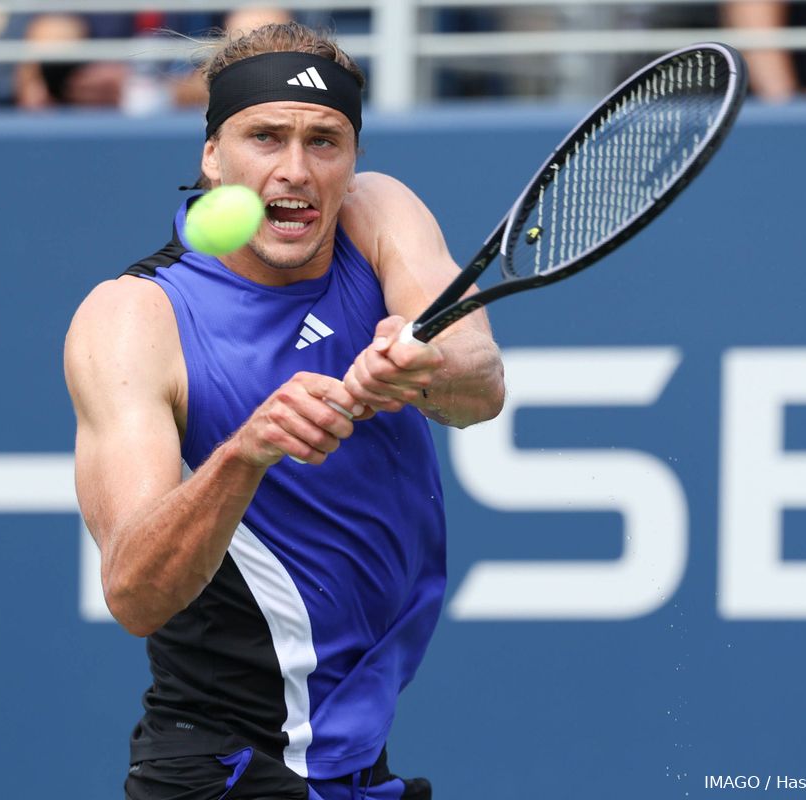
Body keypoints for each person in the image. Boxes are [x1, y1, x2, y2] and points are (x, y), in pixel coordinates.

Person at [64, 21, 504, 800]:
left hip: (356, 765)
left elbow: (480, 387)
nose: (295, 170)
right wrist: (245, 452)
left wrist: (418, 365)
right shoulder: (133, 318)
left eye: (324, 141)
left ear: (353, 159)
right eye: (264, 137)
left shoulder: (378, 216)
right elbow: (133, 591)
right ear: (212, 155)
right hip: (221, 769)